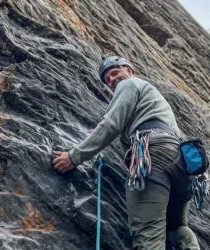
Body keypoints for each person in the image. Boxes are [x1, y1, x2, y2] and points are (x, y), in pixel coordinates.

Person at [53, 56, 200, 250]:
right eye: (107, 79)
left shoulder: (129, 84)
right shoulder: (157, 102)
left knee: (149, 235)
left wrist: (74, 157)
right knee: (178, 229)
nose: (112, 80)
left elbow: (110, 124)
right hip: (181, 165)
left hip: (153, 157)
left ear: (129, 71)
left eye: (115, 73)